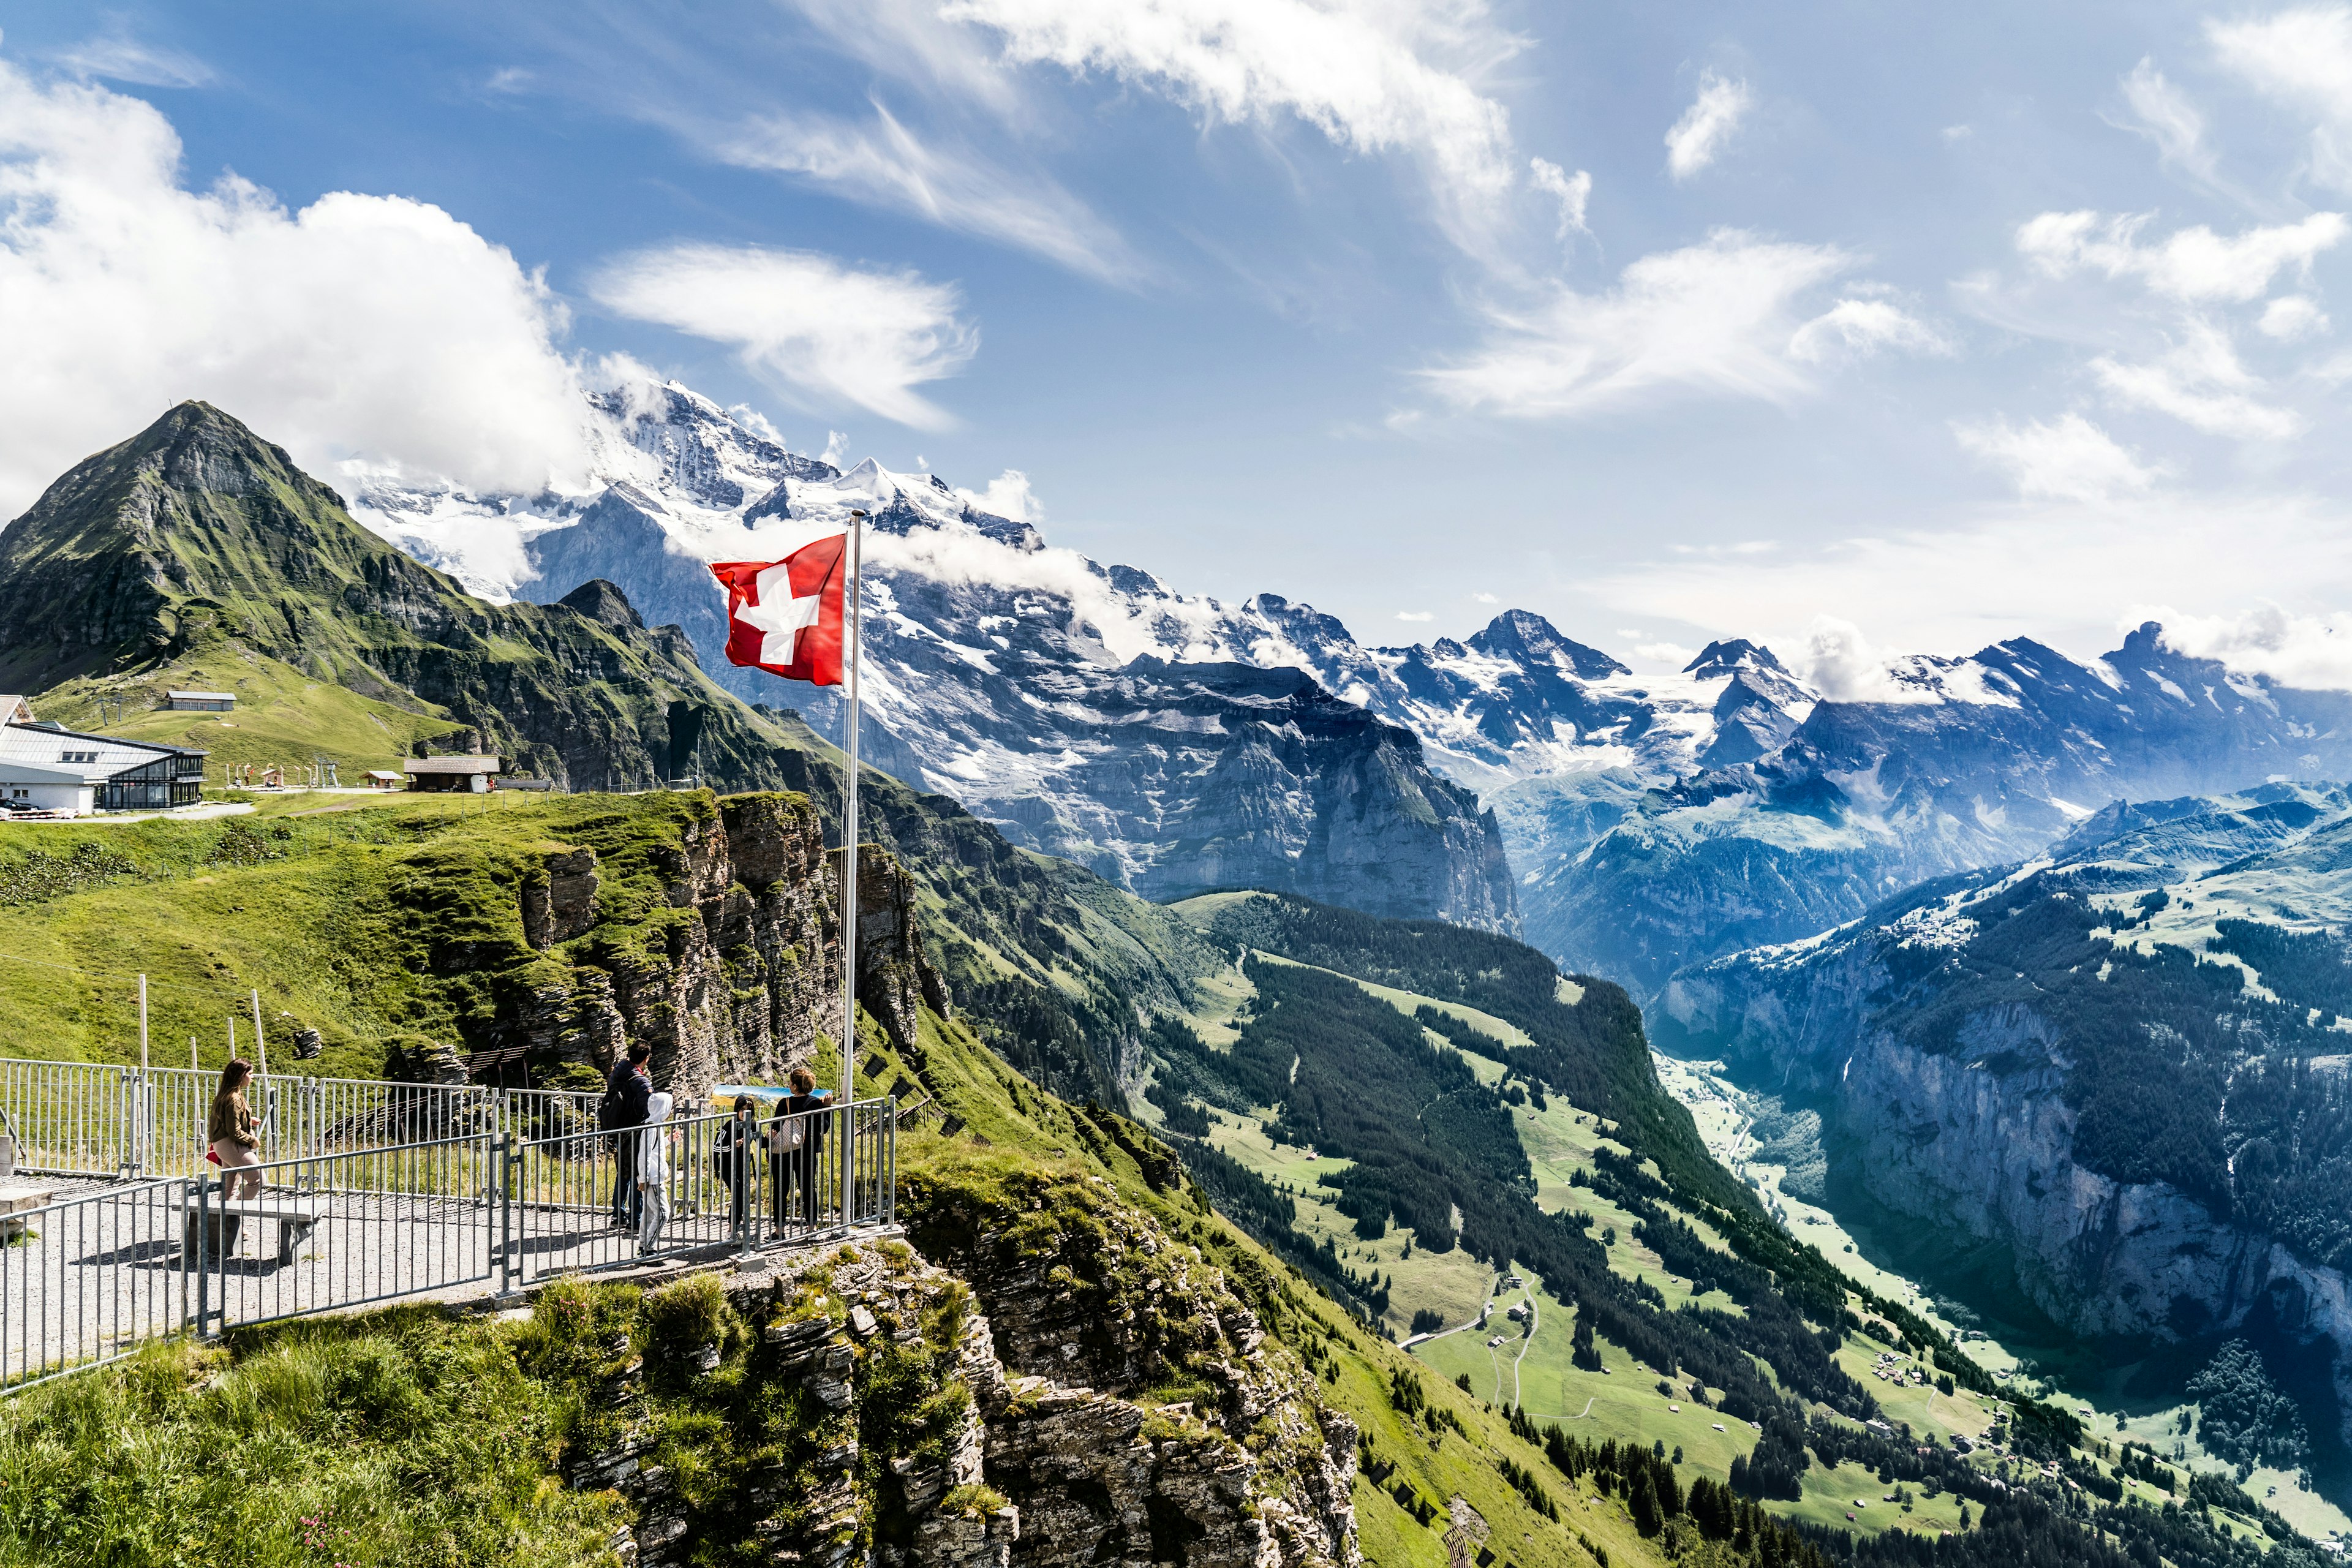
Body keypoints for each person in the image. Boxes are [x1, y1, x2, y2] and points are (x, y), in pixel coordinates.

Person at [771, 1066, 831, 1229]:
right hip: (808, 1151)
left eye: (790, 1083)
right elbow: (823, 1128)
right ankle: (811, 1228)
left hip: (783, 1152)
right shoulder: (815, 1104)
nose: (789, 1086)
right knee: (808, 1189)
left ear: (796, 1086)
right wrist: (827, 1109)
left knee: (781, 1190)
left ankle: (779, 1230)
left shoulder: (785, 1103)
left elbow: (776, 1127)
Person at [601, 1042, 652, 1229]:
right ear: (647, 1058)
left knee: (623, 1173)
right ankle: (636, 1220)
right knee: (638, 1174)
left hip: (617, 1129)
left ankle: (618, 1215)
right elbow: (649, 1108)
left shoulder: (618, 1072)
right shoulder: (641, 1081)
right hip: (635, 1131)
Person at [206, 1058, 264, 1200]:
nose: (252, 1077)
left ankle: (222, 1220)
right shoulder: (234, 1099)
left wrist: (248, 1120)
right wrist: (253, 1140)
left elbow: (226, 1120)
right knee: (258, 1180)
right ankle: (235, 1216)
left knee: (230, 1188)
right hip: (232, 1145)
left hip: (223, 1145)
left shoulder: (225, 1095)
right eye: (250, 1074)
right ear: (240, 1075)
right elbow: (235, 1132)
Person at [714, 1094, 757, 1235]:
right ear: (737, 1109)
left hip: (743, 1167)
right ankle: (731, 1231)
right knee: (738, 1195)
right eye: (742, 1109)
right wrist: (733, 1145)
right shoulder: (729, 1126)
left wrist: (769, 1138)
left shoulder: (752, 1124)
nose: (745, 1113)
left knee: (743, 1196)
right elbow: (716, 1147)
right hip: (728, 1167)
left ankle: (735, 1229)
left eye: (748, 1109)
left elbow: (760, 1140)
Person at [636, 1090, 673, 1256]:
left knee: (650, 1213)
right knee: (664, 1213)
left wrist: (669, 1140)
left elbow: (654, 1149)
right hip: (653, 1178)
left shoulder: (655, 1126)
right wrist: (643, 1179)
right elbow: (644, 1155)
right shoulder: (652, 1128)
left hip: (651, 1177)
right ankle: (648, 1248)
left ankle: (644, 1245)